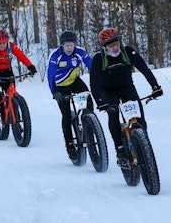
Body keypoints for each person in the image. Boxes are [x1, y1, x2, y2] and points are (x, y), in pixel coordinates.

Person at [90, 27, 163, 166]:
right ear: (105, 46)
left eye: (117, 43)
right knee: (113, 113)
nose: (115, 47)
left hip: (127, 88)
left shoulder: (128, 52)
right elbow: (94, 81)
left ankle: (143, 145)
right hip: (108, 91)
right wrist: (99, 101)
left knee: (140, 118)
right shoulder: (99, 59)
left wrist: (155, 86)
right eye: (111, 45)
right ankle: (120, 149)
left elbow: (144, 69)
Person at [47, 30, 92, 160]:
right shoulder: (55, 56)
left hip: (74, 82)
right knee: (66, 116)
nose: (69, 48)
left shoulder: (79, 52)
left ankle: (88, 122)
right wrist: (54, 92)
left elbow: (91, 65)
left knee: (88, 97)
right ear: (62, 45)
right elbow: (50, 75)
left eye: (71, 45)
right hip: (60, 87)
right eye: (66, 45)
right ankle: (70, 144)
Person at [0, 29, 37, 121]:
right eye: (0, 43)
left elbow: (21, 56)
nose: (2, 45)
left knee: (11, 87)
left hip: (6, 70)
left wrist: (30, 66)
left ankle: (13, 105)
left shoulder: (11, 46)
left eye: (4, 43)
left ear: (7, 41)